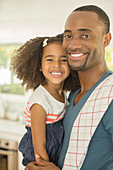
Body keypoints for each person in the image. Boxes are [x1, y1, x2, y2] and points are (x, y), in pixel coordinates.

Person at [24, 4, 113, 170]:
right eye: (68, 36)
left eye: (85, 35)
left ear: (106, 40)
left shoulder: (110, 93)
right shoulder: (72, 96)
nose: (73, 44)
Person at [10, 34, 79, 166]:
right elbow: (39, 146)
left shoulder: (63, 94)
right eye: (49, 59)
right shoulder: (40, 101)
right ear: (39, 66)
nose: (57, 65)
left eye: (63, 60)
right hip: (43, 157)